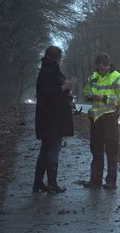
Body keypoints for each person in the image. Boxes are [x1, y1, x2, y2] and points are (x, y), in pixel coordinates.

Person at [83, 52, 120, 189]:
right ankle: (95, 180)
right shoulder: (93, 77)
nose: (101, 70)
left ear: (109, 65)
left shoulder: (118, 78)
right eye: (99, 67)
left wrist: (103, 98)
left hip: (109, 119)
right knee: (96, 152)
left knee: (111, 152)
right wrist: (90, 96)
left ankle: (111, 181)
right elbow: (85, 92)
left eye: (103, 67)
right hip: (95, 119)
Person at [33, 46, 75, 193]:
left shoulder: (48, 70)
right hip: (52, 119)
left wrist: (66, 88)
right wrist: (64, 88)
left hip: (48, 118)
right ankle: (51, 183)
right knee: (53, 150)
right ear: (57, 58)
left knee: (45, 150)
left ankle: (38, 183)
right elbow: (49, 94)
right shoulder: (49, 72)